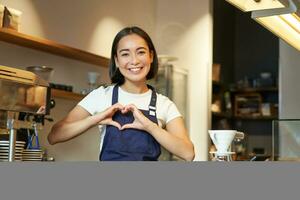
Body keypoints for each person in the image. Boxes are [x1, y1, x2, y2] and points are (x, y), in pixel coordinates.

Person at [48, 26, 195, 161]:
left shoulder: (164, 104)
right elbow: (54, 136)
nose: (134, 61)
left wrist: (149, 126)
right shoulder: (101, 95)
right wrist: (95, 119)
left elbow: (188, 153)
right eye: (125, 54)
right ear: (116, 61)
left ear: (151, 56)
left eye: (141, 52)